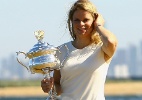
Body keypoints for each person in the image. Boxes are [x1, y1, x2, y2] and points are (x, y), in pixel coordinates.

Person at [41, 0, 118, 100]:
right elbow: (58, 87)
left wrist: (99, 25)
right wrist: (50, 87)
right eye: (76, 20)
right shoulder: (60, 50)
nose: (81, 24)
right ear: (71, 22)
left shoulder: (102, 48)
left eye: (86, 20)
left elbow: (111, 41)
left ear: (94, 21)